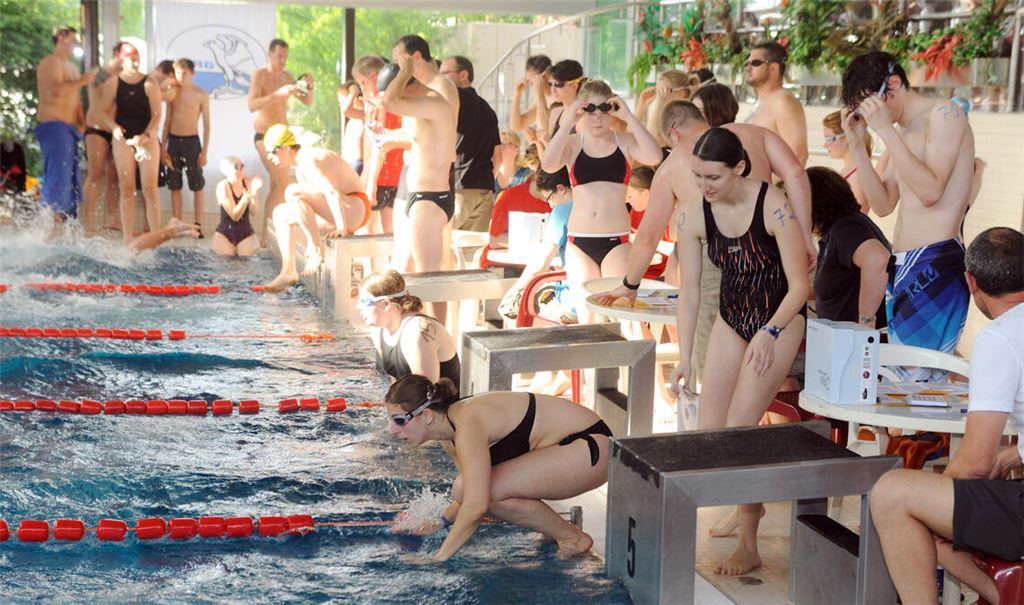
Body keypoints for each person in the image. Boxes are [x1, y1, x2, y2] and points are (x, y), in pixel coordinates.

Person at [670, 128, 808, 575]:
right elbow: (689, 293)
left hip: (779, 320)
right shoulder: (693, 214)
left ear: (740, 168)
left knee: (739, 430)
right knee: (711, 435)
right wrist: (685, 356)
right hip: (733, 320)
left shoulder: (774, 206)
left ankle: (749, 543)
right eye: (697, 176)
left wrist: (770, 331)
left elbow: (800, 286)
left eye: (713, 177)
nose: (704, 186)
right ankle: (749, 503)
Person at [597, 101, 812, 386]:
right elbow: (796, 173)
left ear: (672, 134)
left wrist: (630, 283)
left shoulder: (673, 164)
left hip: (718, 259)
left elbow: (648, 236)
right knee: (761, 372)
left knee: (713, 374)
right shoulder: (753, 133)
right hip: (771, 248)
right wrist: (804, 237)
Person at [869, 227, 1023, 605]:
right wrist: (1017, 453)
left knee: (893, 494)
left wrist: (940, 503)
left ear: (970, 282)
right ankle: (1001, 593)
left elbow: (974, 463)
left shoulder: (1001, 337)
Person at [841, 51, 975, 369]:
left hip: (935, 262)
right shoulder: (902, 130)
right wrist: (858, 147)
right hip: (903, 266)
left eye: (871, 106)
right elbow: (883, 204)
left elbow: (931, 191)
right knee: (902, 385)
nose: (871, 118)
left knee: (919, 381)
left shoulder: (945, 115)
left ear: (894, 83)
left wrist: (885, 131)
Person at [386, 374, 609, 561]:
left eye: (398, 420)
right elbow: (468, 494)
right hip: (567, 451)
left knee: (489, 492)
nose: (391, 430)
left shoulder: (467, 424)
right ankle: (563, 533)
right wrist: (439, 523)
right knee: (464, 487)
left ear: (426, 416)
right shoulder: (449, 434)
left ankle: (573, 538)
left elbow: (477, 505)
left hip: (591, 447)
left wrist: (437, 559)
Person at [541, 80, 662, 323]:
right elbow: (548, 164)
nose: (597, 117)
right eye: (590, 110)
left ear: (612, 109)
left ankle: (634, 362)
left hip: (616, 241)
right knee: (587, 323)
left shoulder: (624, 141)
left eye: (604, 109)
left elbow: (654, 155)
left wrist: (628, 115)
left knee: (628, 320)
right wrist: (568, 121)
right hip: (578, 242)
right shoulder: (574, 144)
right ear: (581, 111)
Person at [379, 59, 457, 322]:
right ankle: (421, 333)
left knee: (429, 278)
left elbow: (389, 101)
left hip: (429, 199)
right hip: (425, 197)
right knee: (412, 271)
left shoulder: (433, 101)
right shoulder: (425, 106)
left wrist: (403, 71)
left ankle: (439, 341)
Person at [261, 124, 371, 291]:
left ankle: (315, 248)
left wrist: (342, 227)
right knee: (281, 213)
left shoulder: (307, 158)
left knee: (292, 191)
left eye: (271, 151)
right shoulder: (300, 169)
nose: (269, 157)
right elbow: (305, 207)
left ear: (284, 147)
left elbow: (332, 192)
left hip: (356, 207)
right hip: (344, 210)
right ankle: (288, 270)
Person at [248, 38, 314, 247]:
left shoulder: (287, 77)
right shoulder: (260, 75)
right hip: (264, 137)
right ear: (270, 54)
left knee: (278, 185)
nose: (283, 60)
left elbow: (307, 101)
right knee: (284, 183)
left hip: (282, 139)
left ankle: (266, 236)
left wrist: (310, 86)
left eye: (285, 56)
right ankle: (273, 233)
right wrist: (277, 94)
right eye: (279, 56)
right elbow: (251, 105)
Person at [808, 167, 890, 327]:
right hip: (842, 339)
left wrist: (866, 321)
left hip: (854, 342)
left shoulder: (846, 229)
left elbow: (878, 260)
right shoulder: (840, 228)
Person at [98, 42, 163, 242]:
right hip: (124, 138)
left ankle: (155, 236)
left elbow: (156, 115)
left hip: (146, 137)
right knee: (126, 187)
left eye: (137, 58)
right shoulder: (114, 83)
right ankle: (127, 238)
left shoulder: (149, 83)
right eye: (131, 58)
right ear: (122, 60)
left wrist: (147, 135)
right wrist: (114, 127)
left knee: (149, 188)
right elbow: (101, 112)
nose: (135, 62)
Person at [35, 25, 94, 222]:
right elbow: (56, 91)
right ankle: (49, 226)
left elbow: (74, 97)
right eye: (73, 39)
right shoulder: (50, 62)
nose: (76, 44)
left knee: (70, 179)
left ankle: (64, 227)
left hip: (69, 129)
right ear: (61, 38)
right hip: (53, 126)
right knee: (58, 175)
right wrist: (84, 80)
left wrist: (82, 121)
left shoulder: (72, 67)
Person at [359, 270, 460, 386]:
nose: (359, 307)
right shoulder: (379, 330)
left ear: (386, 304)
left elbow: (427, 395)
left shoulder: (416, 333)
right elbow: (393, 383)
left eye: (364, 302)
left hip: (445, 403)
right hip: (410, 400)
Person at [441, 55, 501, 232]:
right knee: (471, 251)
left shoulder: (454, 101)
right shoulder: (488, 109)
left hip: (459, 188)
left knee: (442, 242)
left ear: (463, 74)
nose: (440, 79)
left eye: (444, 73)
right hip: (485, 189)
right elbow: (498, 155)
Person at [352, 55, 404, 236]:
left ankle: (372, 266)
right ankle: (388, 263)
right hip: (396, 176)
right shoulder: (398, 102)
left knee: (368, 227)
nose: (362, 89)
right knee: (389, 230)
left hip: (379, 175)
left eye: (363, 83)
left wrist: (371, 182)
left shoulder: (379, 104)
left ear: (375, 77)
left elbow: (378, 145)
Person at [163, 58, 210, 233]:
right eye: (178, 73)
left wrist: (204, 151)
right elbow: (167, 122)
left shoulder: (201, 95)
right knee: (175, 185)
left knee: (197, 185)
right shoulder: (172, 94)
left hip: (192, 142)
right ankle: (178, 225)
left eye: (184, 73)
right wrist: (162, 148)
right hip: (174, 142)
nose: (181, 77)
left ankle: (197, 225)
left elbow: (207, 125)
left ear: (192, 73)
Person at [743, 42, 808, 166]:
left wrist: (768, 184)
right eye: (748, 63)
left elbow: (798, 156)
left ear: (774, 68)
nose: (749, 68)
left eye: (755, 63)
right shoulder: (762, 102)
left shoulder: (783, 102)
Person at [82, 46, 123, 232]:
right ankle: (89, 222)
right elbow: (99, 92)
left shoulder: (125, 76)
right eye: (127, 55)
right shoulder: (100, 73)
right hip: (97, 128)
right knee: (96, 174)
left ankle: (110, 219)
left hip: (114, 131)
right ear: (116, 54)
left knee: (113, 178)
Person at [391, 35, 459, 121]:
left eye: (399, 61)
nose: (398, 67)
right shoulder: (415, 87)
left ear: (416, 56)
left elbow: (445, 128)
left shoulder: (442, 86)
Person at [822, 110, 873, 213]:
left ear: (847, 138)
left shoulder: (856, 176)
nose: (825, 145)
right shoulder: (852, 171)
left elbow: (858, 215)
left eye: (829, 139)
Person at [487, 169, 551, 251]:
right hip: (504, 261)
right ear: (537, 175)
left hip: (545, 260)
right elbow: (495, 241)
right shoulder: (508, 197)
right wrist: (535, 239)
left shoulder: (562, 202)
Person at [211, 155, 260, 257]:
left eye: (242, 166)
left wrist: (254, 194)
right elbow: (235, 216)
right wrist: (244, 199)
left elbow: (254, 212)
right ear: (227, 170)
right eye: (236, 167)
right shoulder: (223, 186)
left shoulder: (248, 182)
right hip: (224, 235)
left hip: (246, 234)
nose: (240, 169)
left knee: (245, 264)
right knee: (226, 263)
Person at [635, 70, 697, 147]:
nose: (659, 95)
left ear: (681, 93)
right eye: (658, 90)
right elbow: (630, 133)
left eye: (663, 91)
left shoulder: (685, 117)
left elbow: (653, 143)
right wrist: (641, 107)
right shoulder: (662, 111)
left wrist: (659, 102)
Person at [538, 60, 584, 145]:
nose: (553, 89)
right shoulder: (556, 113)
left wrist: (547, 142)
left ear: (574, 86)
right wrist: (537, 142)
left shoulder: (582, 117)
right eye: (550, 84)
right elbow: (546, 157)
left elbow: (578, 157)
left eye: (558, 84)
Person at [508, 54, 553, 134]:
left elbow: (547, 129)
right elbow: (515, 127)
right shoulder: (540, 100)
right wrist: (517, 95)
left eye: (533, 79)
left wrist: (539, 92)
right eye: (529, 79)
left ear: (546, 75)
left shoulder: (557, 97)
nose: (531, 84)